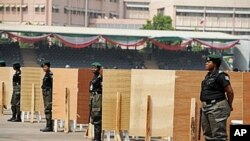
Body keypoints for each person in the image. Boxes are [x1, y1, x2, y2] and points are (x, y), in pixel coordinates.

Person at [200, 54, 234, 141]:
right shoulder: (208, 76)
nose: (206, 63)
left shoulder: (221, 76)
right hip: (206, 107)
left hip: (217, 106)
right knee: (208, 135)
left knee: (219, 136)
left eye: (209, 62)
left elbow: (229, 91)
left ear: (215, 64)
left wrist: (229, 104)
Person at [89, 62, 103, 141]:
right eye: (92, 67)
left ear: (98, 69)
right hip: (93, 97)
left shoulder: (99, 77)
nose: (93, 69)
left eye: (95, 68)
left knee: (97, 116)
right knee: (94, 116)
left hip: (97, 97)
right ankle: (95, 136)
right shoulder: (95, 77)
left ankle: (97, 138)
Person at [40, 60, 53, 132]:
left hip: (48, 93)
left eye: (45, 67)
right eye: (43, 67)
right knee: (46, 109)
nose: (44, 68)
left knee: (48, 109)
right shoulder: (46, 74)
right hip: (45, 93)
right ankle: (47, 125)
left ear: (48, 67)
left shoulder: (50, 74)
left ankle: (49, 126)